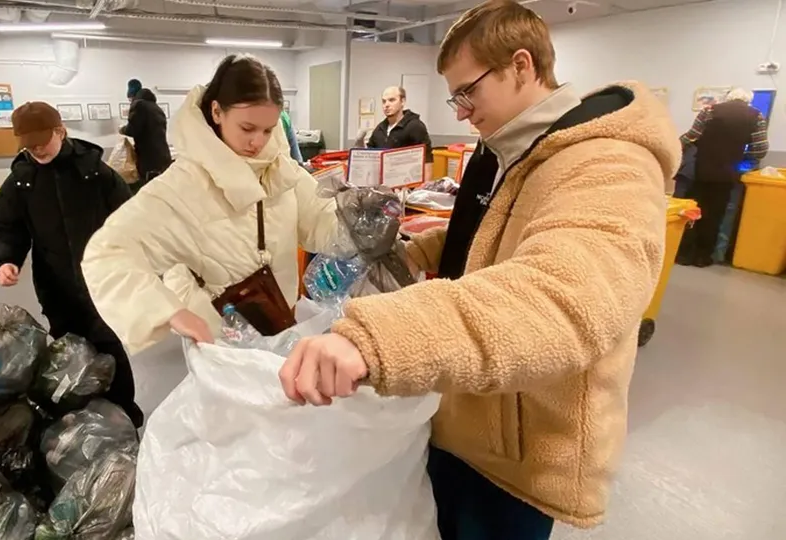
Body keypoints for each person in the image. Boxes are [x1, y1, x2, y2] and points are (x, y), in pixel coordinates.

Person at [278, 1, 680, 539]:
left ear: (521, 65)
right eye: (454, 97)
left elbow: (563, 298)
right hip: (463, 406)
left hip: (518, 448)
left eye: (468, 92)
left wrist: (379, 337)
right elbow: (483, 239)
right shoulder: (500, 149)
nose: (461, 111)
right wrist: (402, 253)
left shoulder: (608, 164)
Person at [81, 54, 340, 355]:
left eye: (268, 130)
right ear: (217, 111)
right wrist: (167, 311)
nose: (258, 142)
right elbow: (108, 252)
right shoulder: (182, 185)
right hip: (219, 341)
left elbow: (321, 219)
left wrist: (358, 223)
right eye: (247, 128)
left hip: (282, 328)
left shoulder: (280, 169)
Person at [0, 102, 143, 427]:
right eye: (29, 145)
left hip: (100, 279)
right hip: (55, 284)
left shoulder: (95, 172)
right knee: (69, 348)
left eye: (43, 141)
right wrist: (3, 260)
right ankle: (83, 413)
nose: (38, 150)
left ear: (60, 130)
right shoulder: (21, 181)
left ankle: (124, 410)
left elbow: (130, 218)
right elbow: (3, 227)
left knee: (108, 344)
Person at [676, 88, 768, 267]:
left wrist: (676, 148)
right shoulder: (756, 116)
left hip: (700, 170)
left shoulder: (709, 110)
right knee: (715, 215)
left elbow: (691, 137)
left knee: (691, 211)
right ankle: (703, 257)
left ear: (727, 98)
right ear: (748, 101)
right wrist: (744, 163)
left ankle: (683, 254)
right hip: (727, 175)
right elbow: (761, 149)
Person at [365, 85, 434, 179]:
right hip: (383, 186)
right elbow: (369, 154)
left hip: (408, 186)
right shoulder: (379, 129)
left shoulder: (415, 126)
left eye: (392, 100)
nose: (386, 105)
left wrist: (423, 190)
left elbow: (427, 158)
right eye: (384, 101)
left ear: (402, 101)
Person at [121, 85, 173, 192]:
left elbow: (132, 129)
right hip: (163, 156)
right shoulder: (156, 108)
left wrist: (122, 129)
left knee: (150, 191)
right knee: (164, 190)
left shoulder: (138, 105)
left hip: (149, 159)